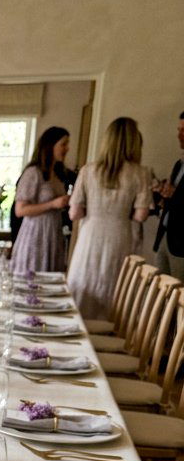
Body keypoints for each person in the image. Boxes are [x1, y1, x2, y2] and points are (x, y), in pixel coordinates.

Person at [66, 117, 152, 320]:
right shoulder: (140, 173)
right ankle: (110, 331)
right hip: (120, 234)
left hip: (90, 235)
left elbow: (74, 213)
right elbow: (141, 214)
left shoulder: (88, 171)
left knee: (84, 282)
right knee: (115, 287)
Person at [10, 126, 71, 275]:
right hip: (36, 234)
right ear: (51, 145)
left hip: (53, 233)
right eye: (63, 144)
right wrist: (53, 204)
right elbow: (20, 210)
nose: (67, 148)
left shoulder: (57, 173)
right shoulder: (33, 173)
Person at [152, 110, 184, 282]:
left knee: (179, 298)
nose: (179, 135)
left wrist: (175, 194)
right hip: (165, 236)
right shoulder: (179, 164)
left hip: (181, 245)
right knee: (159, 295)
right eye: (178, 130)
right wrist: (164, 195)